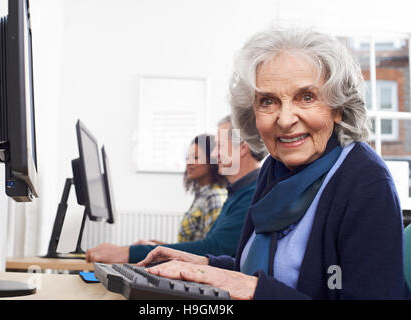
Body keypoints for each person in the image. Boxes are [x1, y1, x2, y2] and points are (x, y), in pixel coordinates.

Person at [137, 25, 411, 300]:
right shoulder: (275, 167)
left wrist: (252, 289)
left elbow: (261, 286)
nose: (285, 119)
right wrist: (206, 266)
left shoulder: (367, 184)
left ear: (337, 107)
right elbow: (265, 272)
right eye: (268, 101)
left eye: (306, 97)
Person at [85, 116, 265, 264]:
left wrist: (128, 253)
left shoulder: (252, 193)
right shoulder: (238, 192)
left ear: (242, 148)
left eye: (219, 145)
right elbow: (212, 247)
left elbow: (213, 248)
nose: (213, 154)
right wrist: (157, 249)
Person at [133, 134, 227, 245]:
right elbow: (193, 246)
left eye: (196, 157)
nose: (189, 162)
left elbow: (208, 249)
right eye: (187, 158)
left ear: (212, 160)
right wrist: (160, 246)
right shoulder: (203, 194)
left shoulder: (214, 197)